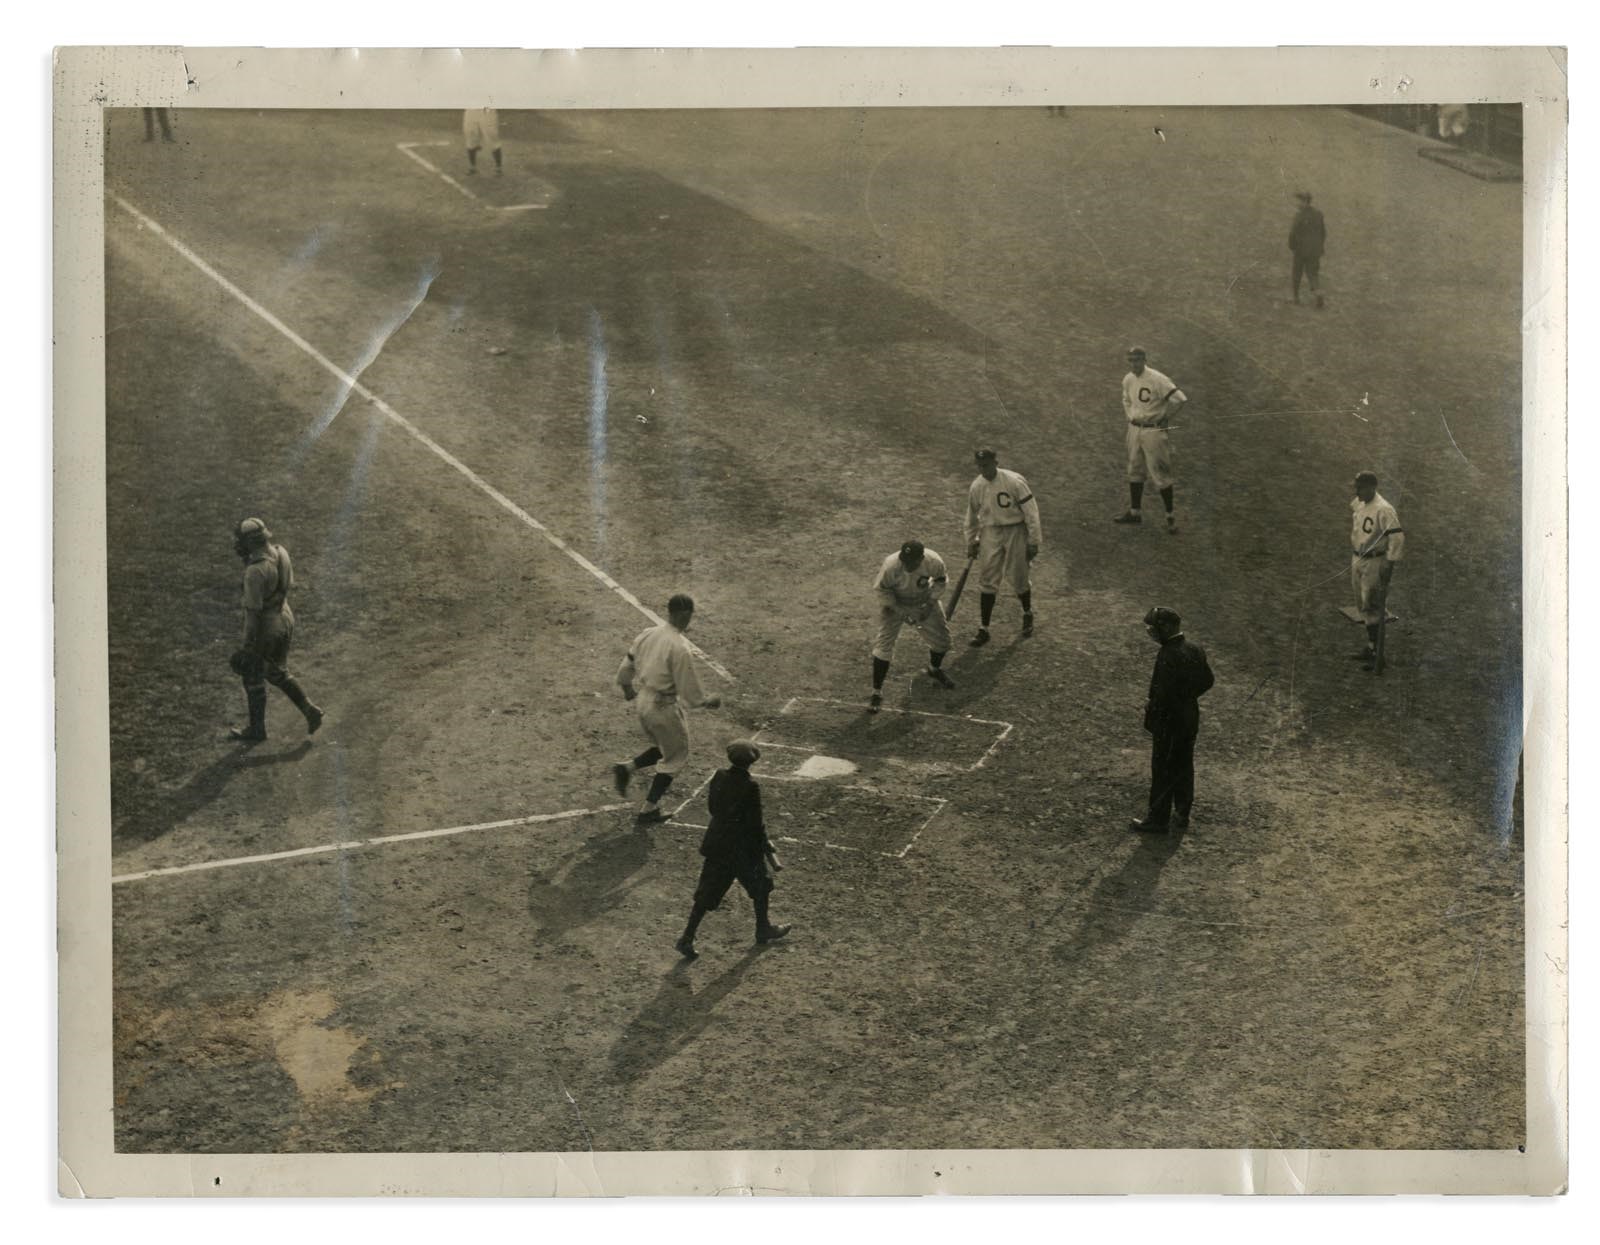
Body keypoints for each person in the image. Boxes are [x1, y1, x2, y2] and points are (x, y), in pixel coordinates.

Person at [674, 740, 790, 960]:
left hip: (717, 844)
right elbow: (756, 824)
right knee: (762, 886)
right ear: (752, 762)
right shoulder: (751, 786)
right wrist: (766, 844)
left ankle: (687, 938)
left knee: (706, 893)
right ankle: (763, 929)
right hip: (743, 850)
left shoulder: (718, 776)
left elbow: (712, 808)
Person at [612, 594, 722, 823]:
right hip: (663, 706)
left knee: (664, 745)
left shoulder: (648, 633)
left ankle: (627, 768)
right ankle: (649, 809)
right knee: (676, 755)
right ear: (684, 614)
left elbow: (627, 665)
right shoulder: (680, 647)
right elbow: (689, 693)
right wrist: (707, 701)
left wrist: (627, 690)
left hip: (643, 701)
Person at [227, 518, 324, 742]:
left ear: (250, 542)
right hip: (285, 618)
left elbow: (252, 615)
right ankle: (310, 711)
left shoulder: (255, 571)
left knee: (252, 674)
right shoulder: (281, 552)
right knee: (276, 671)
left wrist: (247, 645)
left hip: (266, 627)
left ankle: (257, 730)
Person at [1130, 607, 1214, 834]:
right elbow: (1208, 680)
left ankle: (1158, 819)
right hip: (1189, 718)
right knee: (1184, 765)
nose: (1151, 633)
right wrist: (1187, 696)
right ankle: (1182, 813)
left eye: (1154, 628)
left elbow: (1162, 693)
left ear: (1166, 627)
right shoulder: (1195, 649)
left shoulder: (1167, 654)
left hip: (1168, 723)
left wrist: (1153, 712)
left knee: (1163, 769)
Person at [963, 448, 1043, 646]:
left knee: (1018, 574)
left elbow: (1032, 513)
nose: (983, 469)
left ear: (995, 462)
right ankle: (984, 628)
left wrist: (1033, 541)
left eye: (987, 465)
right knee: (988, 578)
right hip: (990, 532)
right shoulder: (977, 486)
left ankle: (1027, 613)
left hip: (1016, 530)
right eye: (980, 466)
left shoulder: (1014, 481)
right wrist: (971, 541)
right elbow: (971, 517)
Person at [868, 540, 955, 713]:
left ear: (920, 558)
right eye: (904, 560)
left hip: (923, 600)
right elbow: (881, 590)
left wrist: (930, 604)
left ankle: (934, 669)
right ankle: (876, 692)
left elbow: (940, 580)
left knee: (943, 642)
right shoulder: (891, 565)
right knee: (883, 646)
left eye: (911, 562)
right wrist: (900, 611)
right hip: (895, 602)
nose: (906, 565)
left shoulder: (933, 561)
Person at [1114, 347, 1188, 534]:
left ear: (1144, 360)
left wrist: (1167, 418)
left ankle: (1170, 517)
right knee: (1135, 469)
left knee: (1160, 473)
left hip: (1153, 431)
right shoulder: (1128, 379)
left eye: (1137, 360)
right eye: (1130, 360)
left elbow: (1180, 399)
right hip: (1134, 429)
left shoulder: (1158, 379)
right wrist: (1130, 416)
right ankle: (1135, 512)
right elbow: (1126, 400)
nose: (1134, 364)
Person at [1349, 470, 1406, 669]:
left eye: (1361, 488)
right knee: (1362, 604)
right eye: (1356, 488)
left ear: (1372, 487)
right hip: (1357, 558)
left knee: (1372, 605)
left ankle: (1378, 654)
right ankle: (1371, 647)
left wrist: (1389, 563)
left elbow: (1397, 538)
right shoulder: (1360, 503)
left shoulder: (1384, 509)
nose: (1357, 492)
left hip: (1374, 562)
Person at [1289, 191, 1327, 308]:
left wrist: (1292, 246)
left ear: (1305, 201)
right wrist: (1320, 247)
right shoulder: (1318, 214)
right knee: (1313, 274)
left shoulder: (1299, 215)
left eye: (1299, 201)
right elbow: (1323, 233)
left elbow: (1293, 233)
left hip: (1301, 250)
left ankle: (1295, 298)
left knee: (1297, 273)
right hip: (1315, 250)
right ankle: (1318, 293)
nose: (1297, 204)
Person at [463, 108, 502, 176]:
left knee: (491, 136)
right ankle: (472, 167)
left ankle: (498, 168)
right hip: (471, 109)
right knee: (470, 136)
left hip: (487, 110)